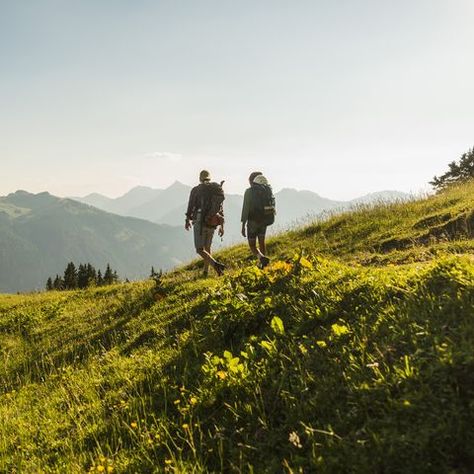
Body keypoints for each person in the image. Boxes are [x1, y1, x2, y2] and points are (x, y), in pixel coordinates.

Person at [185, 170, 226, 276]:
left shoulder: (196, 190)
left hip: (200, 220)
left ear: (200, 178)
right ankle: (206, 271)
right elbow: (220, 208)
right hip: (212, 220)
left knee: (199, 249)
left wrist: (187, 220)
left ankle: (215, 264)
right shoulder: (215, 189)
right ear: (209, 178)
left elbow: (191, 205)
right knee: (207, 248)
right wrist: (221, 225)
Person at [241, 171, 276, 268]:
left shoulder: (249, 191)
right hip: (264, 221)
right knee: (261, 242)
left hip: (252, 221)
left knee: (252, 245)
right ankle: (264, 266)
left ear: (252, 180)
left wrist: (243, 225)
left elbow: (245, 209)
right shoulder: (267, 190)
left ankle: (261, 258)